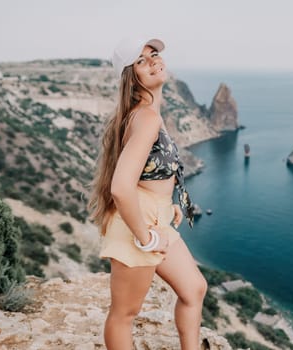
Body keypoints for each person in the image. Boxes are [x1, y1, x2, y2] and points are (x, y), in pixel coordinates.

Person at [88, 36, 207, 350]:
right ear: (131, 76)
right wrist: (146, 237)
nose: (154, 61)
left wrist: (169, 204)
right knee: (125, 314)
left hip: (156, 215)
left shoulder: (148, 113)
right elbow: (121, 187)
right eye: (141, 60)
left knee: (194, 288)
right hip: (137, 224)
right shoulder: (147, 117)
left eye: (153, 54)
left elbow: (150, 169)